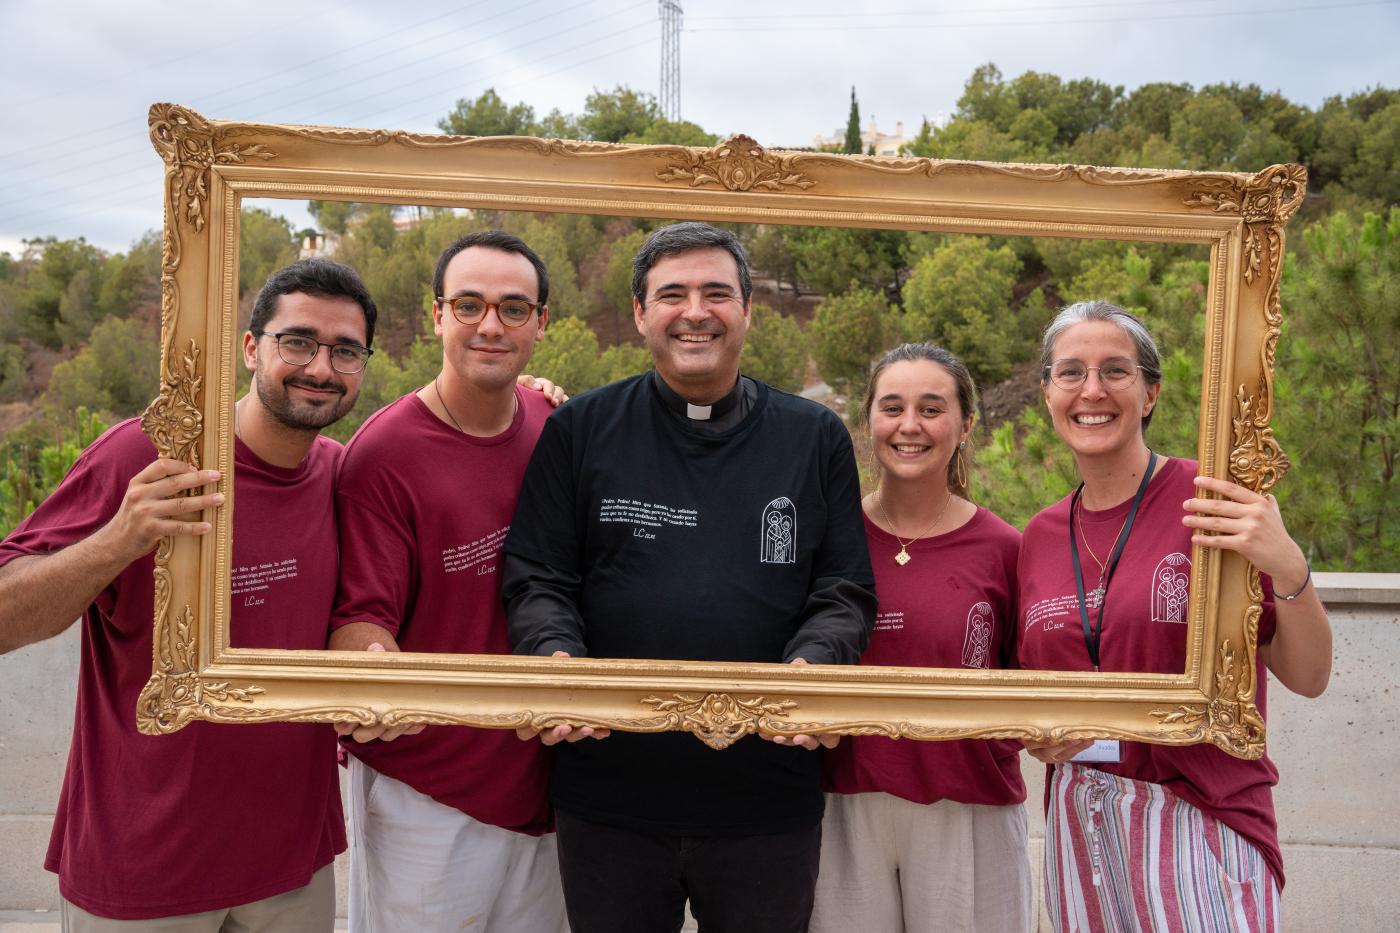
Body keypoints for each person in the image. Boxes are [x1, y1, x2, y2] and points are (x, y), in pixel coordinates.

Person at [503, 221, 877, 933]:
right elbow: (538, 576)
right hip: (608, 790)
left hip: (767, 794)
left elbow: (844, 589)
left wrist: (816, 663)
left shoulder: (813, 436)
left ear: (746, 310)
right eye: (672, 294)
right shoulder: (582, 429)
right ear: (641, 312)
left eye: (716, 292)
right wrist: (557, 661)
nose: (695, 311)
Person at [0, 258, 377, 930]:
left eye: (344, 350)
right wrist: (118, 538)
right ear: (251, 346)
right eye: (298, 341)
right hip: (144, 868)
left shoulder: (342, 476)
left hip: (293, 869)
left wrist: (530, 399)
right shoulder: (147, 457)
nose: (320, 366)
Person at [1017, 300, 1332, 932]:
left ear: (1151, 393)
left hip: (1204, 822)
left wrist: (1289, 566)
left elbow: (1309, 675)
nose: (1093, 391)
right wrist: (1039, 733)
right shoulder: (1038, 536)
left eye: (1116, 371)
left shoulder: (1212, 503)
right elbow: (1032, 693)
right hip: (1080, 828)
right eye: (1071, 372)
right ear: (1049, 392)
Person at [327, 230, 568, 933]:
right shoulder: (384, 453)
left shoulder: (553, 424)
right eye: (469, 304)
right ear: (436, 316)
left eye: (513, 308)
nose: (490, 324)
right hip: (428, 794)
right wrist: (366, 671)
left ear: (540, 324)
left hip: (546, 784)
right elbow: (361, 619)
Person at [813, 343, 1032, 933]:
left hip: (969, 808)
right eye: (892, 407)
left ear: (964, 426)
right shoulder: (829, 539)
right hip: (842, 806)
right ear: (869, 422)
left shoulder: (1007, 549)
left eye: (932, 408)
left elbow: (1034, 686)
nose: (910, 426)